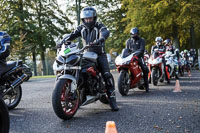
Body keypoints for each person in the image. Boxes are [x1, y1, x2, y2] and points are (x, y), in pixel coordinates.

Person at [57, 7, 119, 111]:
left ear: (94, 18)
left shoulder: (99, 26)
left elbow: (104, 32)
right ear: (83, 19)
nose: (88, 21)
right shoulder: (81, 28)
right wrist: (62, 41)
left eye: (90, 18)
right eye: (86, 19)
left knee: (107, 75)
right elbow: (72, 35)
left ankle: (112, 99)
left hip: (99, 53)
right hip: (86, 53)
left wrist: (101, 38)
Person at [125, 27, 149, 92]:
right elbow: (126, 50)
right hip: (130, 57)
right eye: (133, 34)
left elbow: (141, 49)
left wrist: (135, 54)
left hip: (139, 57)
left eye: (136, 34)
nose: (135, 35)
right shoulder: (128, 41)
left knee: (144, 69)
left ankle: (147, 86)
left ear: (138, 34)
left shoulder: (142, 40)